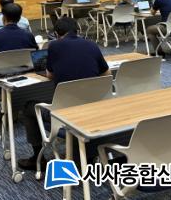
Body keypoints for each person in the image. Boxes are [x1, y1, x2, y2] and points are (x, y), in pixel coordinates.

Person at [18, 16, 109, 170]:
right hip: (93, 108)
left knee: (28, 107)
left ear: (56, 33)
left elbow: (50, 75)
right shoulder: (91, 44)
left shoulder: (54, 46)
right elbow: (107, 74)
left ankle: (37, 159)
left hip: (65, 115)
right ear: (77, 30)